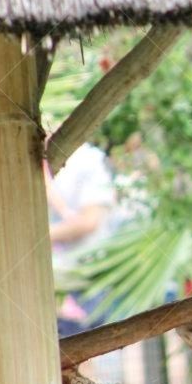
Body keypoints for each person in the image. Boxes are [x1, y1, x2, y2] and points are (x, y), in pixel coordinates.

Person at [46, 142, 117, 337]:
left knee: (78, 351)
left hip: (84, 279)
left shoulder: (89, 159)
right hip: (53, 279)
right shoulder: (39, 161)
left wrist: (36, 238)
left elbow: (89, 221)